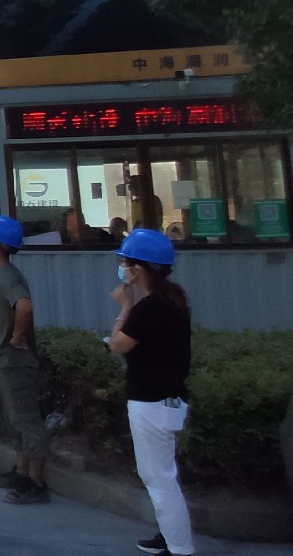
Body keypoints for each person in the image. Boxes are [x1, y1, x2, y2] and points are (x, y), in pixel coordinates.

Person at [111, 229, 196, 556]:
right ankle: (170, 534)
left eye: (126, 263)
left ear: (140, 268)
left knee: (159, 478)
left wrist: (124, 307)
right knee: (162, 475)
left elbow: (118, 344)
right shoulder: (171, 301)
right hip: (165, 399)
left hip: (151, 401)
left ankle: (179, 547)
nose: (122, 268)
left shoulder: (149, 308)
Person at [0, 215, 51, 504]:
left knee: (27, 420)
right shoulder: (2, 273)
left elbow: (24, 306)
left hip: (15, 360)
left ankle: (37, 483)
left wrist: (17, 337)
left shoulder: (7, 275)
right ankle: (22, 472)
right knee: (17, 421)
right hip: (7, 361)